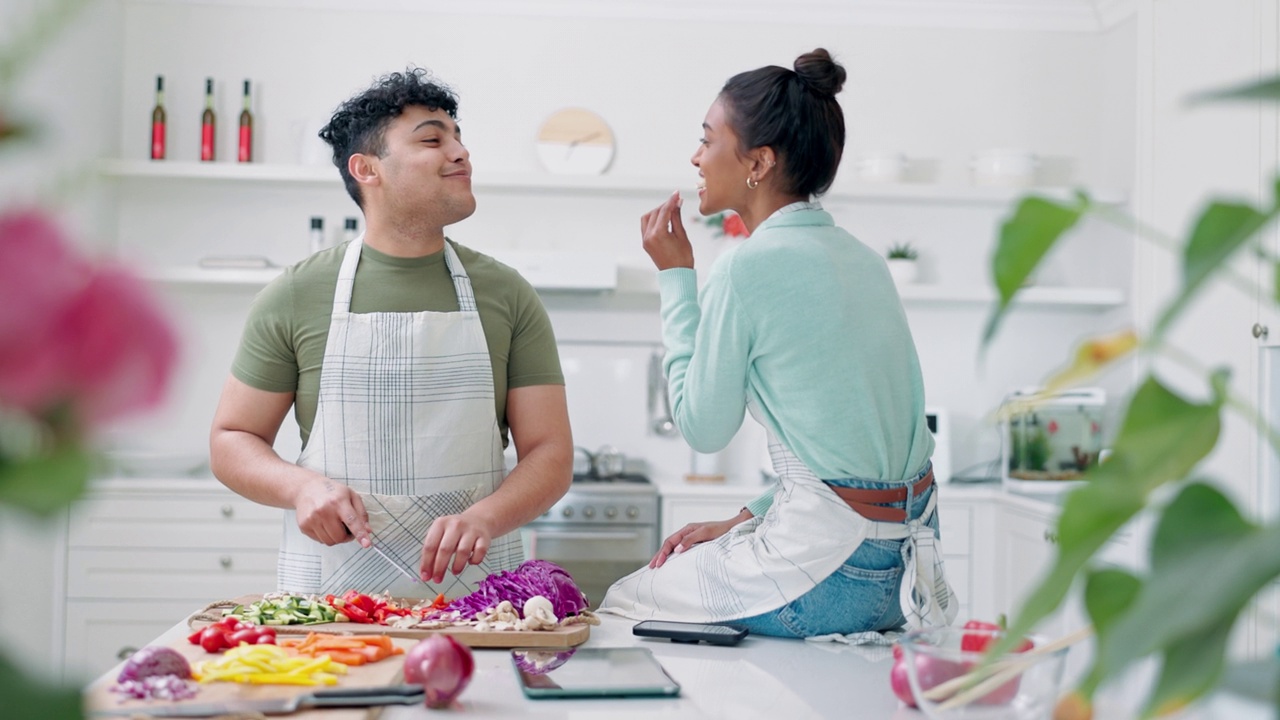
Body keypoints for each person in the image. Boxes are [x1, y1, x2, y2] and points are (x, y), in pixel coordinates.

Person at [598, 49, 957, 637]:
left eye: (707, 139)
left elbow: (703, 429)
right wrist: (748, 516)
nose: (696, 156)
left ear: (758, 161)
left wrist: (675, 276)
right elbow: (856, 456)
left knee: (625, 600)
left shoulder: (748, 267)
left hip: (828, 582)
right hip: (904, 581)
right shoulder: (866, 262)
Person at [209, 68, 573, 599]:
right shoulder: (296, 293)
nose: (460, 153)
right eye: (432, 138)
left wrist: (487, 518)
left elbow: (550, 453)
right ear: (367, 169)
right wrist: (303, 487)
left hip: (477, 602)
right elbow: (231, 440)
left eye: (459, 138)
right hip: (333, 608)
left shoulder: (507, 293)